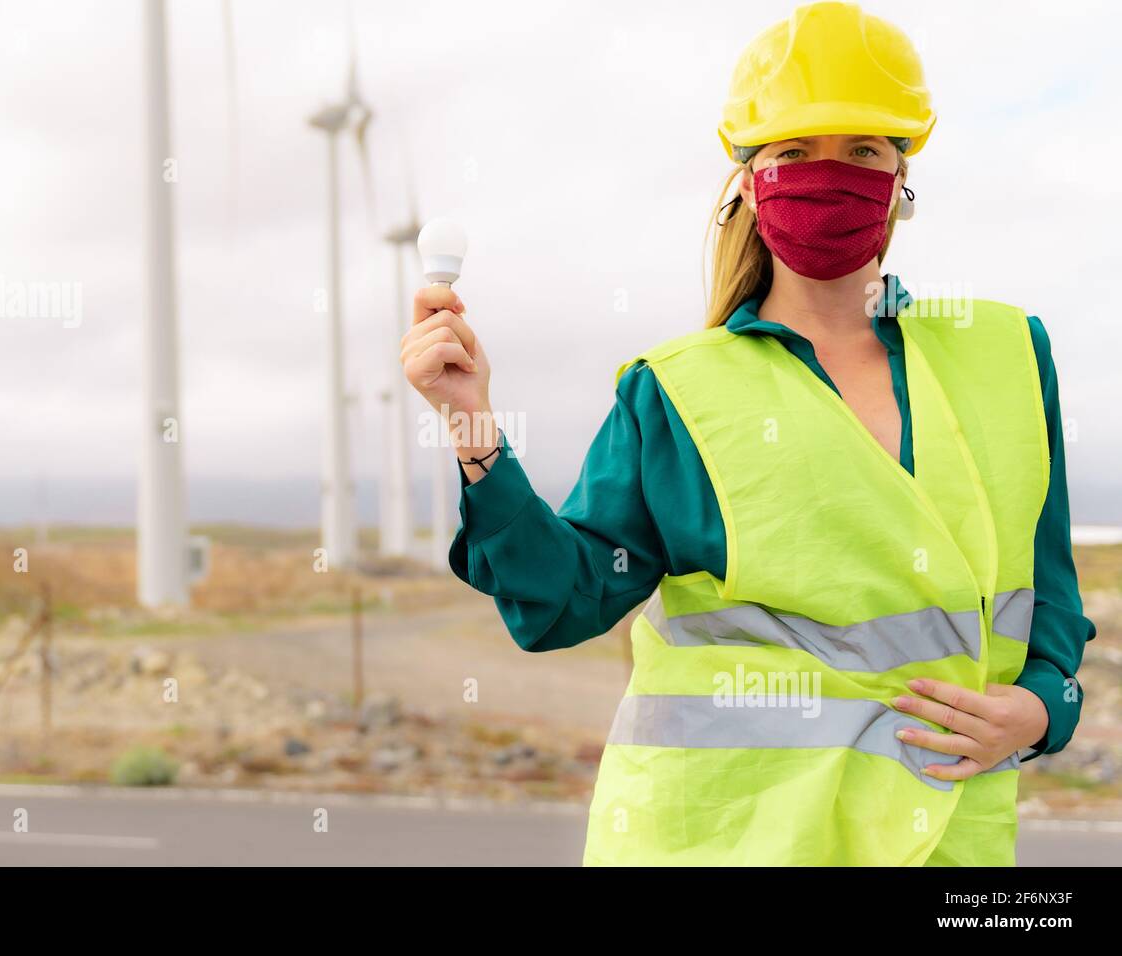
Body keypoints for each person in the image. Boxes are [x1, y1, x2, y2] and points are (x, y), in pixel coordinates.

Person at [399, 0, 1095, 865]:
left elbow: (1049, 593)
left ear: (900, 181)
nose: (828, 173)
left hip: (946, 843)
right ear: (749, 182)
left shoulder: (1008, 355)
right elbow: (562, 603)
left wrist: (1041, 708)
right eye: (795, 151)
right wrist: (473, 428)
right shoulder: (678, 394)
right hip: (725, 841)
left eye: (862, 150)